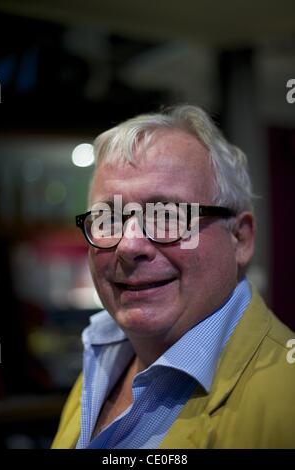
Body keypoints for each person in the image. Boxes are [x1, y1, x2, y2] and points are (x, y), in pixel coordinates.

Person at [52, 105, 295, 449]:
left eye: (167, 215)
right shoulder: (102, 360)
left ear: (240, 238)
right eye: (109, 218)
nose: (129, 244)